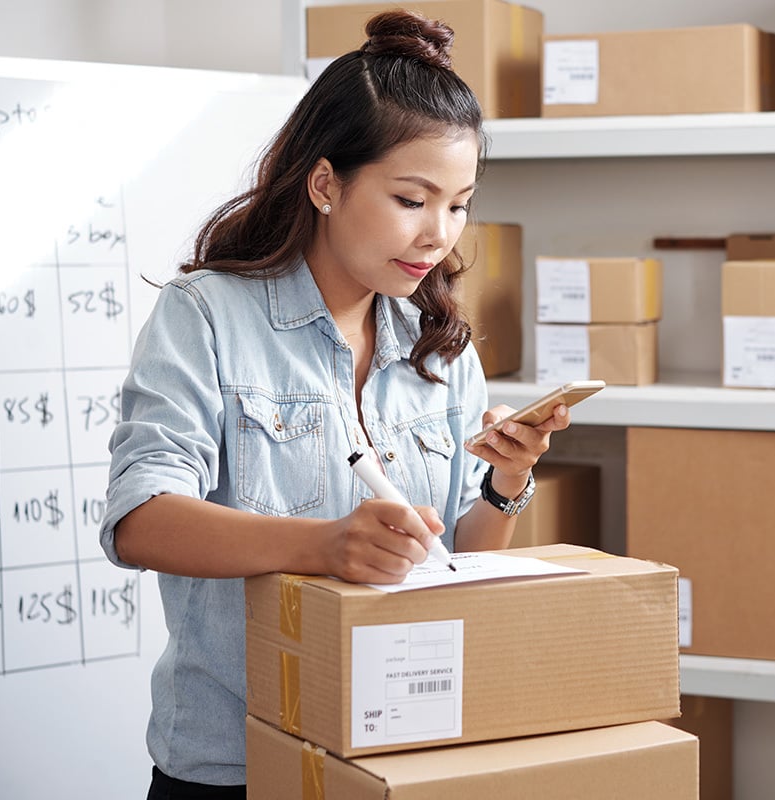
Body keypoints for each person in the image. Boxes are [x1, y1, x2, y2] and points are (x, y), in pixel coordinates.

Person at [100, 10, 570, 798]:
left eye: (458, 204)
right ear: (326, 183)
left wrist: (505, 485)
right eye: (412, 199)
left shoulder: (439, 341)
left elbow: (462, 563)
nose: (439, 235)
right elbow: (140, 518)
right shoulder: (207, 314)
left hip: (398, 756)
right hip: (235, 767)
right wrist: (322, 545)